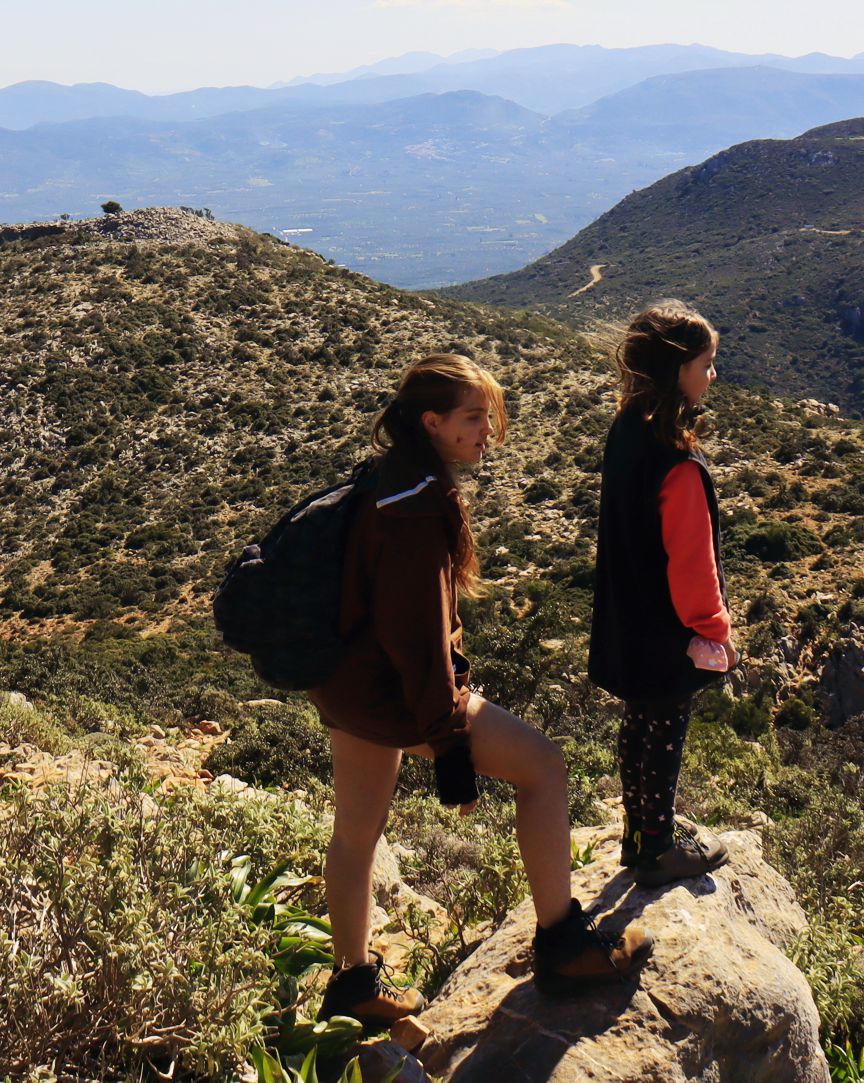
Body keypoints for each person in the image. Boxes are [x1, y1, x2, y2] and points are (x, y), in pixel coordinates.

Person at [311, 353, 649, 1026]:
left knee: (355, 834)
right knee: (543, 768)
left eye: (489, 414)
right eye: (473, 417)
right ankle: (563, 944)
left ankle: (353, 983)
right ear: (432, 422)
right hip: (394, 694)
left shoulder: (389, 479)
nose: (487, 429)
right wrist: (454, 752)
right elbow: (423, 643)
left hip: (346, 685)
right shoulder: (415, 508)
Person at [589, 302, 737, 888]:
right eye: (706, 364)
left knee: (638, 728)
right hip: (667, 630)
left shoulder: (627, 431)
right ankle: (657, 849)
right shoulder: (678, 463)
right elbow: (692, 565)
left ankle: (638, 833)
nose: (711, 375)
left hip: (627, 619)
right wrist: (713, 629)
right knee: (665, 733)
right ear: (678, 370)